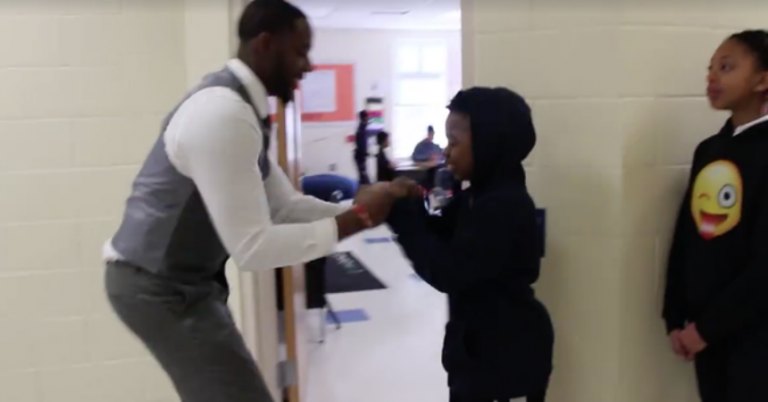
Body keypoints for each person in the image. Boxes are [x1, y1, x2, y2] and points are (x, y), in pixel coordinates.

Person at [102, 1, 394, 401]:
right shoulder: (223, 113)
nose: (308, 66)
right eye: (300, 52)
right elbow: (253, 248)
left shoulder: (242, 109)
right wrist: (356, 219)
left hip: (186, 282)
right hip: (156, 286)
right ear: (265, 44)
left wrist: (361, 212)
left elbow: (285, 207)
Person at [387, 87, 553, 402]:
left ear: (489, 143)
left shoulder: (505, 205)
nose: (446, 152)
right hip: (477, 355)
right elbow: (439, 234)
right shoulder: (476, 196)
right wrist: (406, 203)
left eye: (454, 142)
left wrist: (404, 219)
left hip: (507, 363)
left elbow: (449, 270)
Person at [663, 30, 768, 402]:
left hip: (754, 336)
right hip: (706, 336)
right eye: (710, 69)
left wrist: (707, 328)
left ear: (762, 80)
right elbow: (687, 237)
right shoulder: (709, 150)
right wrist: (674, 315)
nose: (711, 77)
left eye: (726, 67)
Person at [354, 109, 371, 185]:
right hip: (360, 156)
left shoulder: (362, 128)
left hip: (361, 155)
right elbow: (361, 144)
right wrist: (365, 153)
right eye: (367, 117)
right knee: (364, 178)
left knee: (363, 176)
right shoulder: (361, 130)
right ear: (365, 118)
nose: (368, 119)